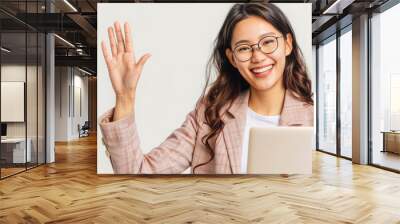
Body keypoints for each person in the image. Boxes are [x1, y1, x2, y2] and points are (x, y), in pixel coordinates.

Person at [99, 2, 313, 174]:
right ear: (232, 58)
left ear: (287, 44)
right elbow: (137, 172)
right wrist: (124, 99)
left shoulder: (312, 114)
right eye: (244, 48)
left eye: (267, 42)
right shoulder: (208, 116)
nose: (257, 56)